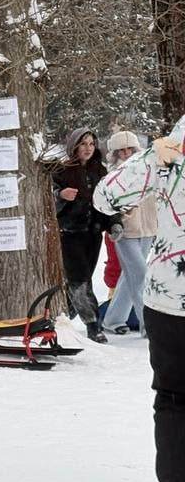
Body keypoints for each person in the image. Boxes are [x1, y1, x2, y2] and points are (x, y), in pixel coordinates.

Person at [94, 120, 185, 482]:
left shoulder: (169, 151)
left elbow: (106, 194)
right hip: (168, 301)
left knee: (173, 398)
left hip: (168, 299)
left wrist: (151, 156)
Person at [54, 128, 117, 343]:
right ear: (74, 146)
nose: (88, 148)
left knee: (84, 278)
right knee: (79, 279)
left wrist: (114, 223)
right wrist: (60, 195)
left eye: (91, 144)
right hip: (69, 233)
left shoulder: (100, 171)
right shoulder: (61, 171)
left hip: (93, 233)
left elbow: (110, 202)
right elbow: (44, 201)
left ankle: (64, 314)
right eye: (83, 144)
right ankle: (93, 324)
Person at [102, 130, 156, 336]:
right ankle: (148, 326)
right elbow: (108, 206)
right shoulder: (111, 176)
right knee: (141, 275)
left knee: (130, 276)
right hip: (125, 232)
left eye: (129, 149)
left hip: (149, 228)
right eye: (121, 150)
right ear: (115, 153)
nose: (126, 153)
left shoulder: (147, 170)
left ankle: (113, 319)